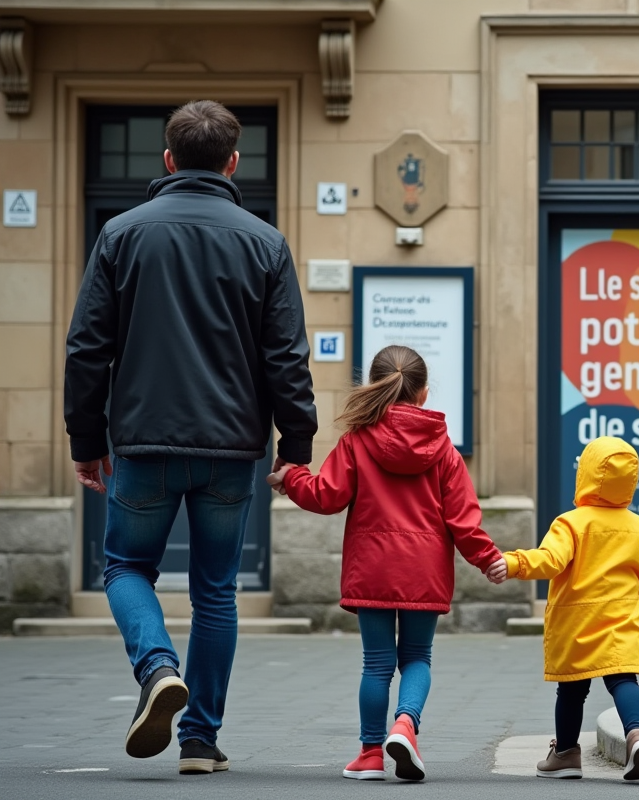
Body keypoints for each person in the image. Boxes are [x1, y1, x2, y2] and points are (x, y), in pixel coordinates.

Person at [64, 100, 317, 774]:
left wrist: (85, 440)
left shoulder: (121, 233)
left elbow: (87, 348)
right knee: (216, 590)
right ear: (234, 162)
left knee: (125, 567)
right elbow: (285, 357)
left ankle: (156, 669)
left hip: (143, 442)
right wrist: (296, 446)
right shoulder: (264, 241)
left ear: (168, 159)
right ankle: (200, 741)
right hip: (230, 450)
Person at [268, 344, 506, 783]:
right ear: (424, 394)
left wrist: (292, 479)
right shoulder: (446, 451)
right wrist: (488, 558)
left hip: (373, 567)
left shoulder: (357, 441)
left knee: (376, 663)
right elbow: (463, 519)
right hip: (425, 571)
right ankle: (406, 724)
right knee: (416, 656)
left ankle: (371, 753)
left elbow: (327, 495)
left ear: (374, 388)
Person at [487, 436, 639, 781]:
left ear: (586, 474)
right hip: (621, 624)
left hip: (578, 622)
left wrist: (514, 563)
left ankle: (566, 754)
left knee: (572, 689)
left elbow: (550, 560)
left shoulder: (571, 523)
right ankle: (638, 736)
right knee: (623, 679)